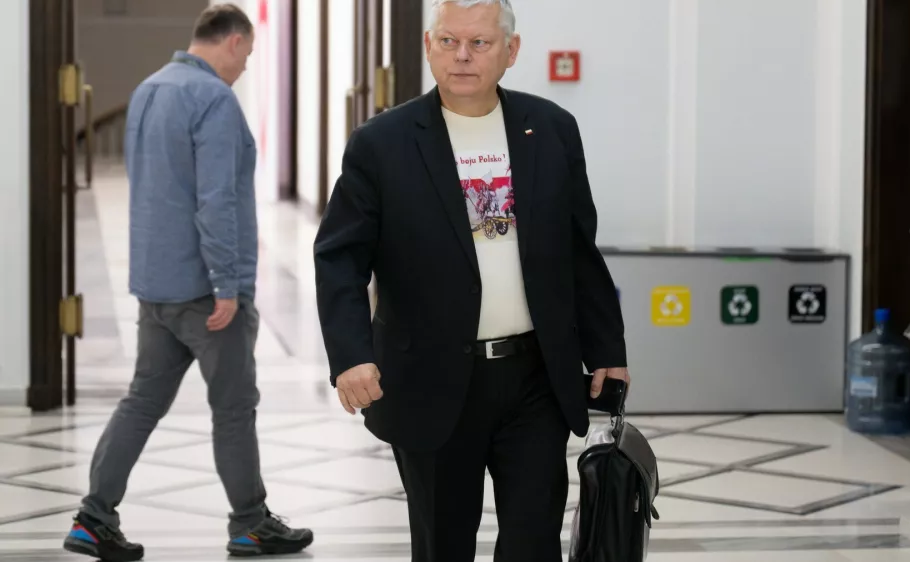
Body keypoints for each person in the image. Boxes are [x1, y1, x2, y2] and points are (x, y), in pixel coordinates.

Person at [313, 0, 628, 560]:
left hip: (535, 377)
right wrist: (349, 354)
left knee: (533, 542)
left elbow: (579, 248)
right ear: (429, 45)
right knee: (442, 545)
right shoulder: (381, 143)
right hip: (428, 378)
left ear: (511, 51)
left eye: (479, 43)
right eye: (447, 41)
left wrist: (606, 347)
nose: (462, 55)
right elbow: (339, 257)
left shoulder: (551, 129)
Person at [62, 5, 313, 561]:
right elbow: (216, 199)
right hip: (205, 292)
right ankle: (250, 524)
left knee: (142, 400)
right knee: (233, 407)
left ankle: (93, 518)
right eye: (246, 54)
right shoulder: (214, 100)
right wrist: (227, 284)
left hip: (157, 285)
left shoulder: (150, 89)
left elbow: (153, 187)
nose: (246, 66)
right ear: (230, 41)